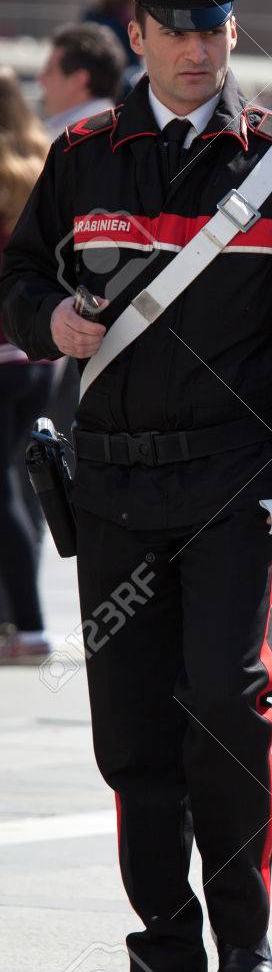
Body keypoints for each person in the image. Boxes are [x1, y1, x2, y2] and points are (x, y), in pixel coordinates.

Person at [0, 0, 272, 972]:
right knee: (131, 736)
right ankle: (164, 960)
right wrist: (46, 321)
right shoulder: (84, 152)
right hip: (112, 485)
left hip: (234, 485)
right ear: (138, 36)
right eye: (178, 27)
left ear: (232, 34)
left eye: (216, 26)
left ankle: (244, 938)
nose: (200, 46)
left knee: (224, 703)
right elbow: (19, 277)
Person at [0, 69, 52, 664]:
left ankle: (29, 624)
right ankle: (21, 621)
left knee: (3, 489)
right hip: (32, 354)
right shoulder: (40, 162)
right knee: (11, 484)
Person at [39, 21, 126, 139]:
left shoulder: (74, 141)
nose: (41, 79)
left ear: (79, 80)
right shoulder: (122, 131)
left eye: (50, 70)